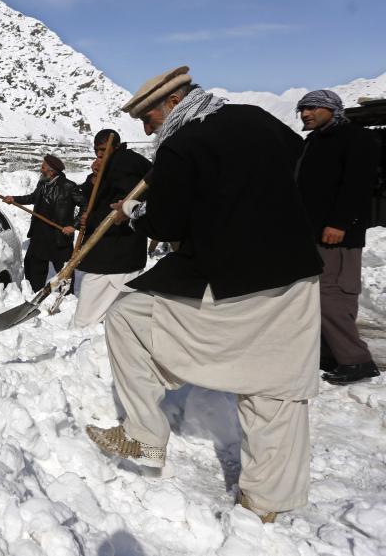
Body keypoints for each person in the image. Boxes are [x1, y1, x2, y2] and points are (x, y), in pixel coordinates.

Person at [85, 66, 323, 524]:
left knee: (128, 316)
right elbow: (303, 171)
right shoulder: (256, 118)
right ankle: (266, 502)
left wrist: (133, 210)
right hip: (293, 271)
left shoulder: (180, 144)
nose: (147, 130)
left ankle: (144, 434)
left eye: (148, 119)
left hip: (229, 278)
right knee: (274, 388)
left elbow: (166, 224)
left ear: (174, 102)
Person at [295, 89, 380, 385]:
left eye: (313, 108)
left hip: (338, 234)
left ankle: (357, 361)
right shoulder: (314, 141)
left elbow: (358, 184)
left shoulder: (355, 138)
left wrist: (340, 223)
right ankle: (332, 354)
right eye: (302, 109)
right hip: (314, 233)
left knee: (334, 296)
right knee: (318, 296)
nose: (306, 113)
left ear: (332, 109)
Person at [71, 130, 151, 327]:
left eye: (103, 150)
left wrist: (91, 220)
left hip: (117, 251)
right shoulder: (112, 164)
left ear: (116, 147)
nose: (99, 155)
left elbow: (121, 207)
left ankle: (85, 332)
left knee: (89, 316)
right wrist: (93, 179)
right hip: (110, 253)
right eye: (96, 151)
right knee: (107, 312)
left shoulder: (126, 165)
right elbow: (98, 195)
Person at [4, 154, 85, 291]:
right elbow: (32, 198)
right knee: (34, 266)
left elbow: (85, 206)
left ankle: (66, 297)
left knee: (64, 271)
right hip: (40, 234)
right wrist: (14, 199)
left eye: (43, 167)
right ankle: (35, 293)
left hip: (59, 236)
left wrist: (74, 226)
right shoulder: (42, 184)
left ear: (51, 171)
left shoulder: (69, 186)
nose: (40, 169)